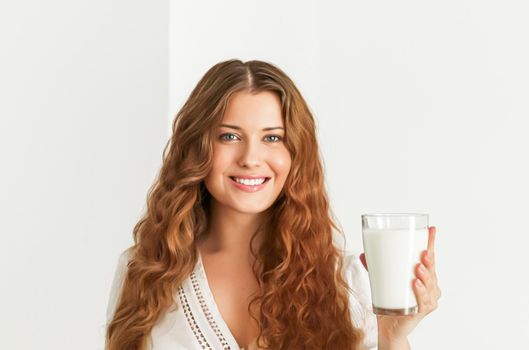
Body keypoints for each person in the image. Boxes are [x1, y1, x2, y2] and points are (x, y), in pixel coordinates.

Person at [104, 59, 441, 350]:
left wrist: (393, 337)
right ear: (197, 147)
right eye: (230, 136)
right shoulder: (147, 271)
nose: (251, 158)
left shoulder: (347, 282)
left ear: (296, 153)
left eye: (272, 138)